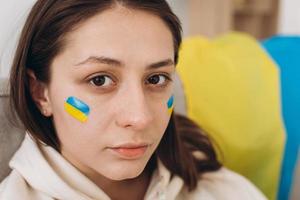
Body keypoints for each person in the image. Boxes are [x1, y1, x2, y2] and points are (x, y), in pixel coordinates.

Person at [0, 0, 267, 199]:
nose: (140, 118)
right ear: (39, 92)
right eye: (99, 80)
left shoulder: (221, 190)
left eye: (156, 79)